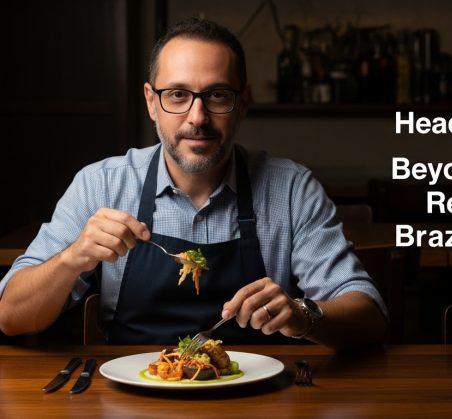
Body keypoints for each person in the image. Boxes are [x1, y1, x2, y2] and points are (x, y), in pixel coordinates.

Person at [0, 18, 387, 348]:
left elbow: (369, 317)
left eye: (217, 95)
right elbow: (10, 316)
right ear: (152, 102)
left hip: (261, 399)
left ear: (243, 102)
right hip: (129, 398)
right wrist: (73, 258)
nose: (197, 117)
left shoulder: (290, 189)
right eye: (178, 95)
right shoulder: (101, 184)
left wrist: (304, 315)